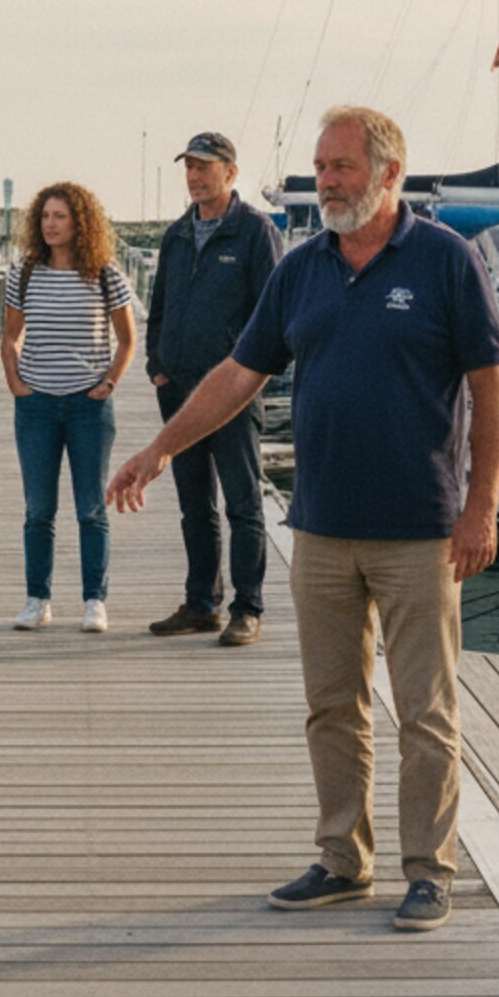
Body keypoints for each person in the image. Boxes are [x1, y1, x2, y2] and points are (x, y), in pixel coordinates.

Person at [109, 105, 499, 932]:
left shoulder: (444, 259)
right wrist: (159, 451)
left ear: (388, 173)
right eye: (322, 167)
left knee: (425, 713)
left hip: (421, 530)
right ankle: (342, 860)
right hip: (322, 527)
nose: (325, 182)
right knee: (332, 706)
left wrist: (481, 508)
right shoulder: (302, 268)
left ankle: (429, 871)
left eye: (342, 167)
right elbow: (239, 374)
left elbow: (490, 386)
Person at [144, 131, 282, 647]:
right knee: (194, 505)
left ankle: (248, 608)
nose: (195, 176)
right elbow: (159, 306)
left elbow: (273, 314)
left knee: (242, 503)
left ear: (231, 171)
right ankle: (201, 603)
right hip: (178, 388)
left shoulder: (255, 232)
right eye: (190, 167)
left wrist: (243, 372)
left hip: (233, 393)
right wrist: (157, 364)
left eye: (205, 166)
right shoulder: (177, 234)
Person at [1, 181, 136, 634]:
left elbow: (127, 339)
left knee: (91, 509)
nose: (50, 224)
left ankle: (95, 600)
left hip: (87, 407)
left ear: (80, 222)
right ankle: (37, 599)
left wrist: (109, 382)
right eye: (45, 216)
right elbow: (9, 337)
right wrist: (15, 382)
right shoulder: (24, 273)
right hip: (36, 406)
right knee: (38, 509)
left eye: (60, 216)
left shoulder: (104, 273)